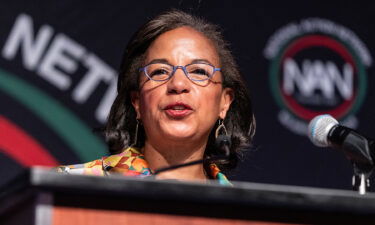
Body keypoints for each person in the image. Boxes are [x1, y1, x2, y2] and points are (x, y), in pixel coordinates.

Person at [56, 9, 255, 185]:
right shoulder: (66, 187)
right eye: (160, 71)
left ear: (224, 101)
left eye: (199, 72)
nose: (178, 85)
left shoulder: (249, 213)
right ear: (137, 103)